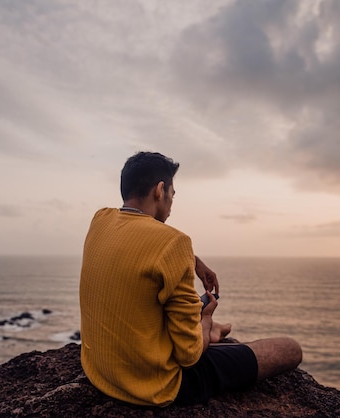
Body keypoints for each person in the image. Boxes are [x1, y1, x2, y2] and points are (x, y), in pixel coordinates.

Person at [79, 151, 302, 407]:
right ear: (160, 190)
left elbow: (137, 241)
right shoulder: (174, 243)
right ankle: (208, 329)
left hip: (101, 372)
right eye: (172, 195)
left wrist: (194, 261)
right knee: (289, 348)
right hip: (153, 386)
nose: (172, 204)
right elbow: (189, 357)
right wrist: (205, 317)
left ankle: (210, 329)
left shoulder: (101, 219)